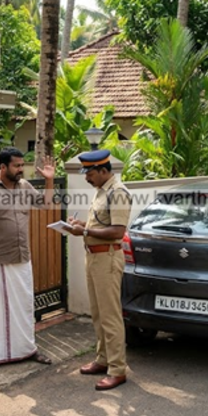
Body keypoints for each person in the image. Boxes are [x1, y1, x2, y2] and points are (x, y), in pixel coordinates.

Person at [0, 148, 55, 370]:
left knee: (24, 304)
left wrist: (49, 181)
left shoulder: (24, 186)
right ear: (2, 167)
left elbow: (46, 205)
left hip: (22, 255)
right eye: (17, 165)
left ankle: (27, 349)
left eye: (22, 165)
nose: (21, 169)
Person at [67, 149, 133, 391]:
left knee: (110, 315)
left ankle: (118, 369)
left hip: (107, 258)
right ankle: (103, 359)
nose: (86, 178)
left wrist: (84, 232)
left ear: (104, 171)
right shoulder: (101, 192)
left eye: (90, 173)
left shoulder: (118, 193)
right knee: (97, 313)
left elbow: (117, 231)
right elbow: (100, 225)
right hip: (94, 257)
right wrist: (81, 225)